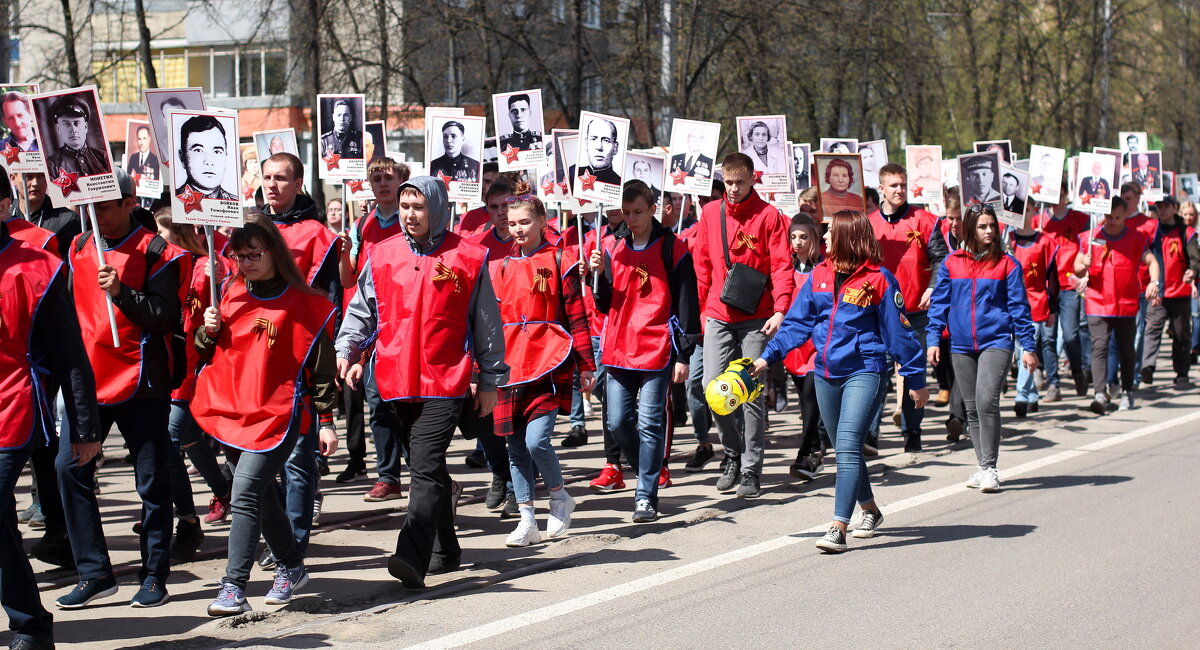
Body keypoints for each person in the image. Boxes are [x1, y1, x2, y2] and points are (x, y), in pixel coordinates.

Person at [335, 175, 507, 587]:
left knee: (425, 466)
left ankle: (410, 554)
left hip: (445, 379)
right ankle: (445, 550)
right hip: (394, 379)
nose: (410, 215)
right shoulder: (381, 253)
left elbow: (486, 324)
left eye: (419, 207)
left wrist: (490, 380)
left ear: (437, 208)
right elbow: (362, 311)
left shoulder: (468, 256)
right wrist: (349, 351)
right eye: (406, 207)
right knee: (425, 467)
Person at [753, 209, 927, 552]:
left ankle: (838, 526)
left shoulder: (879, 279)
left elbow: (900, 335)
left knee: (847, 446)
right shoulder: (819, 274)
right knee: (845, 450)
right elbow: (797, 325)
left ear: (848, 236)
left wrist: (916, 377)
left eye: (831, 231)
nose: (825, 236)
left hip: (866, 369)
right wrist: (766, 357)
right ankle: (871, 511)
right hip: (826, 373)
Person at [192, 214, 338, 616]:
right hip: (231, 411)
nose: (247, 262)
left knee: (244, 493)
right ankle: (291, 566)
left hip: (279, 415)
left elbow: (322, 368)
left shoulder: (306, 303)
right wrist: (207, 329)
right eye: (240, 256)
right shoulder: (229, 292)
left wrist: (326, 423)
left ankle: (233, 586)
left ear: (274, 250)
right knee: (262, 497)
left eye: (254, 253)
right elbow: (206, 352)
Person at [60, 168, 185, 609]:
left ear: (130, 203)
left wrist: (122, 294)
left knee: (151, 484)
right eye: (88, 205)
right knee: (69, 470)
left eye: (104, 206)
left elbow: (165, 318)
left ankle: (154, 575)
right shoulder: (78, 245)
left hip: (141, 382)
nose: (94, 214)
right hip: (87, 382)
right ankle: (94, 572)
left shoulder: (157, 251)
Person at [0, 206, 99, 649]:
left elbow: (70, 354)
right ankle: (31, 626)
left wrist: (84, 426)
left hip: (12, 409)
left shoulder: (38, 267)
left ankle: (29, 625)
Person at [256, 152, 348, 563]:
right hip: (256, 356)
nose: (272, 185)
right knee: (252, 461)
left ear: (298, 184)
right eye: (267, 177)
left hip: (300, 356)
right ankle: (278, 530)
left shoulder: (317, 235)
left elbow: (328, 303)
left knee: (296, 459)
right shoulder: (250, 229)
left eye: (281, 178)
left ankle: (292, 542)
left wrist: (323, 357)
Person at [491, 187, 595, 544]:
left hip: (548, 358)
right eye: (512, 223)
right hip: (509, 363)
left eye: (525, 222)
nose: (518, 229)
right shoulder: (500, 265)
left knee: (537, 442)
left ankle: (559, 497)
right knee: (515, 447)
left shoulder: (560, 260)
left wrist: (586, 365)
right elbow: (489, 323)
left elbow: (577, 316)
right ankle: (526, 519)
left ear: (541, 222)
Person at [590, 180, 699, 521]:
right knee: (617, 421)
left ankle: (645, 494)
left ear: (653, 210)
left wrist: (684, 355)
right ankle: (645, 468)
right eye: (626, 212)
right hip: (620, 347)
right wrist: (599, 276)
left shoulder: (674, 247)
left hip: (657, 347)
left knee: (651, 422)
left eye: (638, 211)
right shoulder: (613, 246)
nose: (632, 218)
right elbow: (605, 302)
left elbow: (687, 303)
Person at [691, 153, 793, 498]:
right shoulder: (709, 213)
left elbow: (781, 266)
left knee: (748, 394)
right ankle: (731, 454)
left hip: (757, 317)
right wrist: (703, 311)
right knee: (712, 389)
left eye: (740, 182)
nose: (733, 190)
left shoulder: (769, 216)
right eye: (728, 182)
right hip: (718, 314)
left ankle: (751, 469)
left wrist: (780, 310)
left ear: (753, 179)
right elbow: (702, 264)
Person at [927, 203, 1037, 492]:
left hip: (996, 341)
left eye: (992, 225)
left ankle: (990, 468)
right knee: (972, 407)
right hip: (961, 344)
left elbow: (1019, 308)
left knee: (987, 401)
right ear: (969, 229)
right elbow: (939, 304)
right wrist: (932, 339)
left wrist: (1028, 345)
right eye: (982, 226)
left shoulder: (1007, 264)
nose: (989, 231)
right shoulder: (952, 262)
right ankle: (981, 465)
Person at [153, 212, 235, 561]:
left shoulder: (211, 267)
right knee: (187, 437)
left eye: (163, 232)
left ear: (183, 232)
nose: (157, 239)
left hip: (195, 368)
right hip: (168, 365)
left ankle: (186, 521)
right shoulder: (168, 263)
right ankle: (223, 490)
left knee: (171, 438)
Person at [867, 162, 948, 452]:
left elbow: (941, 258)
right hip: (880, 312)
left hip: (917, 311)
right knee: (877, 372)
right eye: (893, 186)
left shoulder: (925, 220)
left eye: (903, 184)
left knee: (914, 373)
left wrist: (932, 286)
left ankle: (912, 431)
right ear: (882, 189)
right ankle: (870, 435)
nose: (900, 190)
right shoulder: (869, 223)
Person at [1074, 196, 1162, 413]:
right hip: (1097, 300)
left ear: (1125, 216)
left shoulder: (1135, 238)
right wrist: (1081, 265)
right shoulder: (1091, 236)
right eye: (1108, 217)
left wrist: (1154, 282)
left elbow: (1152, 262)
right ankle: (1100, 394)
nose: (1112, 221)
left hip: (1125, 303)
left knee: (1125, 349)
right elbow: (1076, 267)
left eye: (1117, 217)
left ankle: (1128, 391)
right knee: (1100, 346)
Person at [780, 213, 829, 479]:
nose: (797, 242)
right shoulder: (784, 269)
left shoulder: (825, 268)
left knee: (811, 398)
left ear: (815, 239)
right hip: (793, 345)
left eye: (804, 237)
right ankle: (816, 452)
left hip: (818, 344)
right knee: (805, 403)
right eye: (793, 236)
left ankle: (803, 456)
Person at [1035, 183, 1092, 396]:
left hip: (1069, 285)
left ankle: (1078, 371)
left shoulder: (1079, 218)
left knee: (1070, 335)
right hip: (1047, 287)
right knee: (1048, 337)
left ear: (1066, 194)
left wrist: (1085, 272)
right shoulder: (1038, 219)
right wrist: (1036, 235)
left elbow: (1087, 245)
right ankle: (1053, 383)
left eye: (1058, 193)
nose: (1053, 197)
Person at [1141, 195, 1200, 387]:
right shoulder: (1151, 230)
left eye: (1166, 206)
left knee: (1181, 334)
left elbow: (1194, 257)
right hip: (1157, 290)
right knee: (1152, 329)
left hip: (1179, 292)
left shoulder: (1186, 232)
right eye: (1159, 207)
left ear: (1175, 208)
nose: (1162, 210)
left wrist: (1192, 271)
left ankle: (1181, 373)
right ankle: (1147, 367)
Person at [1007, 202, 1058, 417]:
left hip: (1035, 303)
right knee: (1020, 352)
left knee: (1026, 349)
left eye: (1026, 209)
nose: (1022, 214)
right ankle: (1032, 395)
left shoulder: (1045, 242)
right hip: (1010, 303)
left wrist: (1053, 308)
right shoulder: (1005, 240)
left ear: (1033, 212)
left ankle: (1021, 395)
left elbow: (1052, 278)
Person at [43, 95, 109, 177]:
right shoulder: (52, 165)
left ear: (85, 127)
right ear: (59, 129)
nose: (73, 130)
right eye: (66, 124)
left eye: (76, 123)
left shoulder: (103, 157)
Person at [175, 115, 237, 201]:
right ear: (182, 157)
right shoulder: (171, 202)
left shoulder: (236, 203)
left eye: (217, 152)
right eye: (198, 150)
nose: (209, 161)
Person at [576, 117, 621, 186]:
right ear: (586, 143)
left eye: (606, 141)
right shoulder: (573, 174)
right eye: (593, 139)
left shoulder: (620, 184)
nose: (599, 147)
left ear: (615, 148)